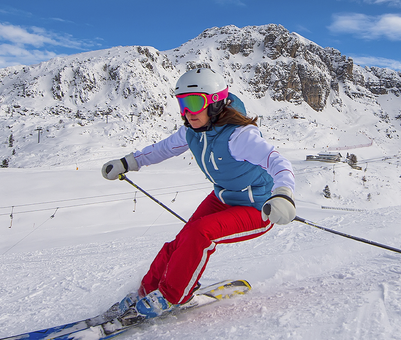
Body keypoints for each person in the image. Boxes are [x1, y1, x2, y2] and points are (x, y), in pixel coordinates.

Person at [99, 67, 295, 324]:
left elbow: (277, 162)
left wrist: (283, 195)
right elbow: (162, 149)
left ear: (214, 103)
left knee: (200, 233)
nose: (187, 112)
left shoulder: (239, 135)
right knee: (182, 240)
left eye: (194, 103)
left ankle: (171, 295)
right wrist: (127, 162)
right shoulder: (192, 131)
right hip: (222, 199)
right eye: (182, 103)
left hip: (258, 206)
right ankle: (146, 291)